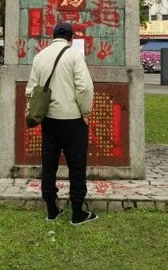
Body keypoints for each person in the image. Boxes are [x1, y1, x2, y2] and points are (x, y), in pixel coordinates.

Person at [25, 22, 97, 226]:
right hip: (73, 119)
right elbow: (84, 87)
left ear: (53, 36)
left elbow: (31, 89)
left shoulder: (40, 56)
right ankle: (77, 212)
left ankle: (51, 209)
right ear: (71, 38)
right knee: (76, 166)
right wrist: (85, 112)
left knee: (49, 165)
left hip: (48, 120)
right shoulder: (74, 55)